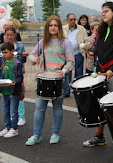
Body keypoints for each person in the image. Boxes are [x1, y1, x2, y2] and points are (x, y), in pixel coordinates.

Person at [83, 2, 113, 147]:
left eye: (106, 11)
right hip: (101, 72)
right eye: (102, 11)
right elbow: (102, 48)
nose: (103, 14)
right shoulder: (104, 29)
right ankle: (99, 137)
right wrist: (94, 52)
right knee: (100, 105)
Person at [26, 15, 74, 146]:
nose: (53, 28)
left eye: (55, 25)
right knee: (39, 108)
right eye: (50, 25)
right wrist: (33, 59)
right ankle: (36, 135)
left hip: (59, 80)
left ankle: (55, 133)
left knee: (57, 107)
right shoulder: (43, 42)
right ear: (47, 27)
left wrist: (63, 71)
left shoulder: (66, 42)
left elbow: (71, 61)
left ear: (59, 27)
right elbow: (32, 54)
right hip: (44, 79)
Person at [3, 26, 28, 126]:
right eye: (7, 34)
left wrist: (22, 55)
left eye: (11, 34)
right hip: (6, 73)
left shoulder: (20, 46)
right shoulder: (2, 46)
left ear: (15, 35)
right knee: (6, 95)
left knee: (18, 93)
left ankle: (21, 116)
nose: (9, 36)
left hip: (17, 73)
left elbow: (23, 60)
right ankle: (10, 117)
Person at [0, 42, 23, 138]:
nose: (4, 55)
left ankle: (14, 128)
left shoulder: (17, 64)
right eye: (3, 53)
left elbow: (20, 77)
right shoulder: (3, 63)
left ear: (12, 51)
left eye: (6, 52)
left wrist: (15, 82)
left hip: (14, 92)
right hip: (5, 91)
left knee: (13, 111)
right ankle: (7, 126)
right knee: (5, 110)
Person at [63, 13, 87, 97]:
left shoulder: (81, 29)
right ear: (67, 20)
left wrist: (86, 50)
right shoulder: (63, 29)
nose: (73, 21)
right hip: (67, 54)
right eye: (71, 20)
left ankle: (78, 91)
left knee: (79, 73)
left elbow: (86, 40)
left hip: (78, 53)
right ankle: (66, 91)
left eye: (74, 19)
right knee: (67, 73)